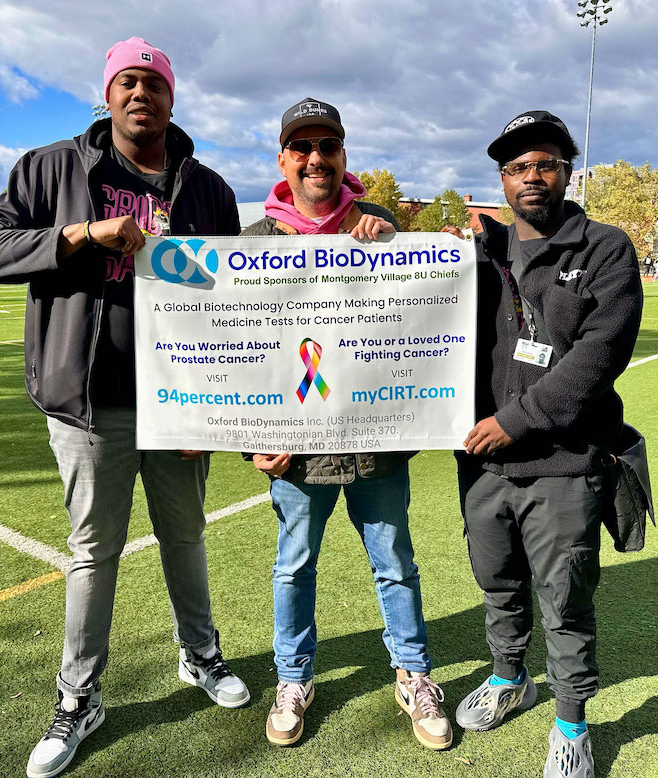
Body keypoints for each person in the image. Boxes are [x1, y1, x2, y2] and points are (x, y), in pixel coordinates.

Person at [0, 37, 248, 778]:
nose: (140, 95)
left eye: (153, 83)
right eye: (127, 82)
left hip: (182, 399)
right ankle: (78, 697)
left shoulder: (208, 188)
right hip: (91, 402)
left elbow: (234, 299)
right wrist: (81, 234)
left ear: (170, 97)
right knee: (94, 552)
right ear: (108, 93)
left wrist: (213, 407)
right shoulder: (51, 167)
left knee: (186, 537)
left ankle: (202, 655)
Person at [241, 98, 452, 751]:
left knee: (394, 562)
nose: (315, 159)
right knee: (293, 565)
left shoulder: (382, 225)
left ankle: (413, 674)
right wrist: (254, 439)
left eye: (326, 146)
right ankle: (293, 677)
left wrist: (397, 248)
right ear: (282, 159)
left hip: (375, 445)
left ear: (343, 155)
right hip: (295, 452)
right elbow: (239, 349)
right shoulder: (255, 241)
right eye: (301, 147)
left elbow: (424, 320)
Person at [452, 111, 642, 778]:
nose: (531, 177)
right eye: (516, 168)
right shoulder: (480, 254)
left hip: (565, 462)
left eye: (545, 164)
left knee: (565, 599)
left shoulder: (607, 248)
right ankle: (510, 678)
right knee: (498, 583)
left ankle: (571, 723)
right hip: (481, 464)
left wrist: (518, 418)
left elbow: (598, 357)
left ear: (567, 171)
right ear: (501, 181)